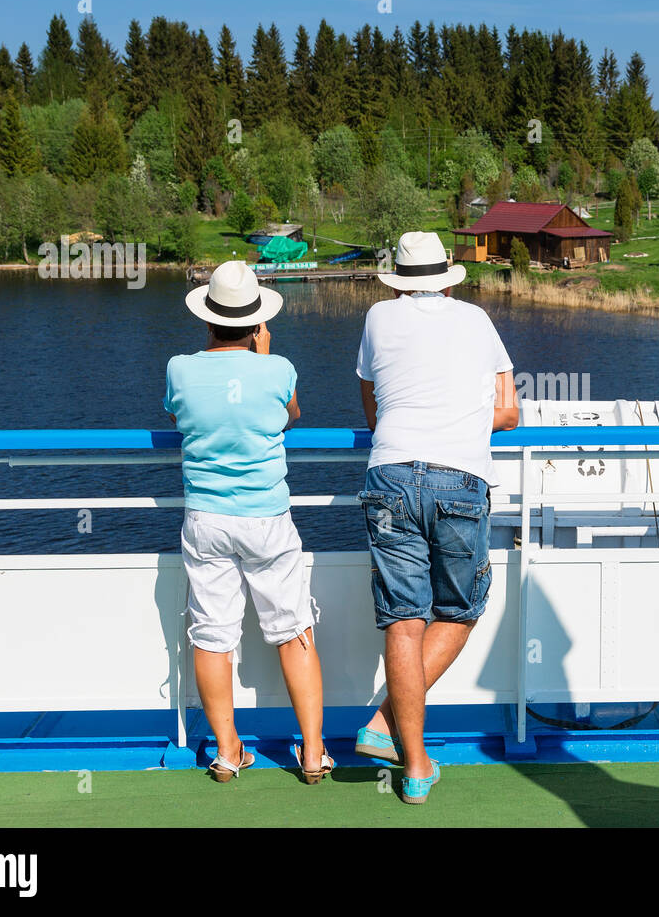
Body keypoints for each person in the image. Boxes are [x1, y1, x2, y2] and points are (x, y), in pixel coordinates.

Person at [354, 231, 518, 804]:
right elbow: (510, 412)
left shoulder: (377, 317)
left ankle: (414, 763)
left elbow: (373, 403)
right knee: (460, 608)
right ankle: (381, 725)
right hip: (459, 477)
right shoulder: (476, 321)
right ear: (447, 277)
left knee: (403, 620)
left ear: (397, 277)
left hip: (389, 474)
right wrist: (468, 420)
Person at [165, 260, 332, 784]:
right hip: (266, 517)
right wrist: (262, 358)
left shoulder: (179, 368)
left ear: (207, 320)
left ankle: (227, 752)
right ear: (257, 321)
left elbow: (179, 415)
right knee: (292, 629)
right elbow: (290, 414)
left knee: (212, 634)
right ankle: (311, 753)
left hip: (206, 518)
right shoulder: (278, 368)